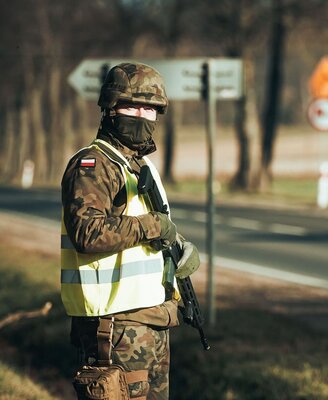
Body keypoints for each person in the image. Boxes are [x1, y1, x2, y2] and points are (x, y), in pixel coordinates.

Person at [60, 62, 200, 399]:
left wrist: (177, 247)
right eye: (131, 105)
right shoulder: (93, 165)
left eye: (149, 108)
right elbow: (87, 232)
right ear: (110, 108)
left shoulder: (141, 166)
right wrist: (153, 226)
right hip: (113, 329)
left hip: (153, 322)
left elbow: (147, 235)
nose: (141, 114)